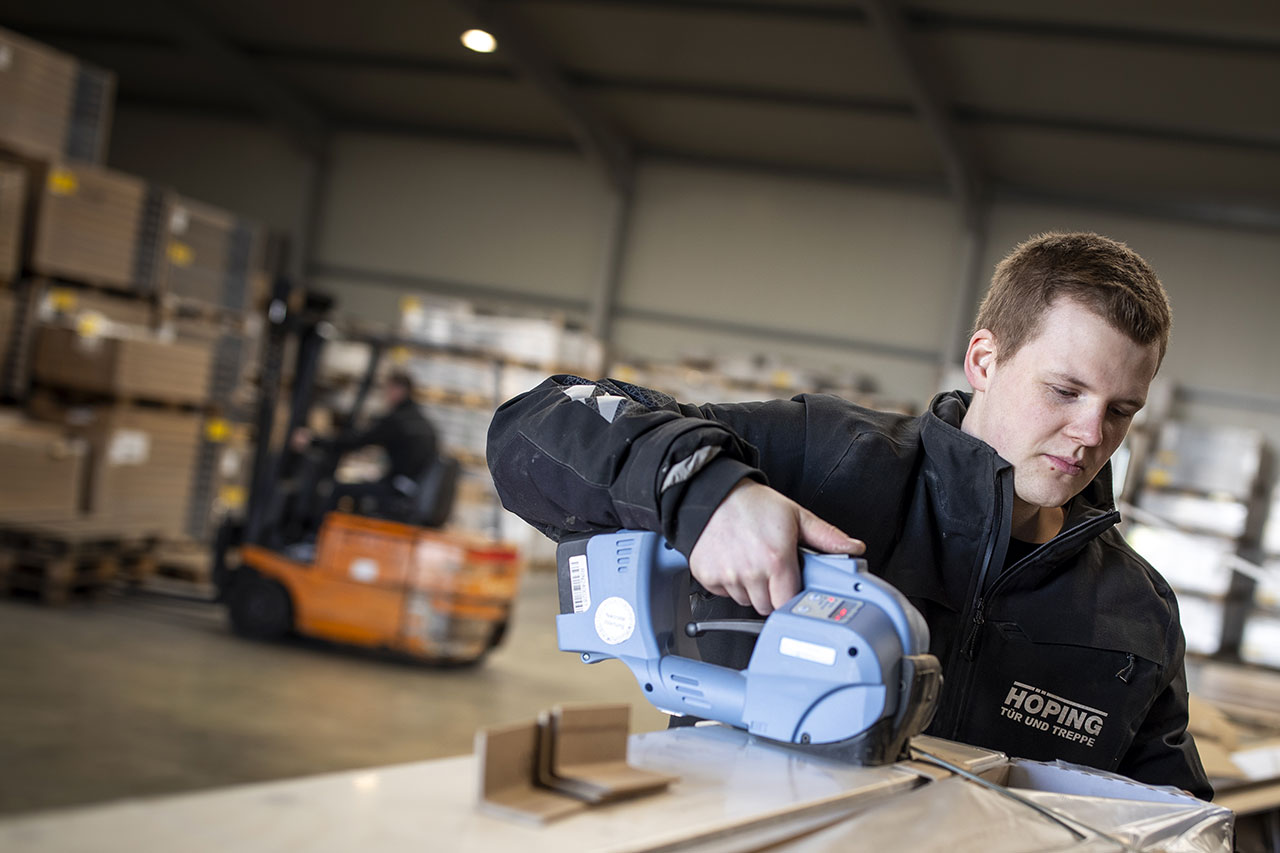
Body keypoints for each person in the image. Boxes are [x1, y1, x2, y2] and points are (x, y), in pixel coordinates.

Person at [486, 232, 1212, 799]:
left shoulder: (1135, 615)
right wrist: (709, 496)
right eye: (1064, 390)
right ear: (985, 360)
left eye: (1121, 410)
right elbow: (537, 424)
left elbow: (1169, 812)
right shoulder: (829, 459)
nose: (1092, 434)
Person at [292, 370, 439, 521]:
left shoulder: (397, 420)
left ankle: (315, 536)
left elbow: (356, 441)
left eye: (387, 389)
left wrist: (313, 441)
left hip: (396, 491)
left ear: (399, 390)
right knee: (359, 489)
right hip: (408, 489)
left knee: (337, 489)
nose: (385, 395)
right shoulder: (420, 420)